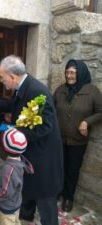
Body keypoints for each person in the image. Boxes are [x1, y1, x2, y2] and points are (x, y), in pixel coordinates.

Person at [0, 55, 63, 225]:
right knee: (28, 185)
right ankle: (26, 215)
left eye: (1, 77)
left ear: (12, 76)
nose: (0, 80)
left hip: (43, 155)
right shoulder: (22, 87)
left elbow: (45, 127)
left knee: (44, 195)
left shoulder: (38, 91)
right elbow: (13, 105)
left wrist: (16, 134)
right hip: (31, 151)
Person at [54, 59, 102, 212]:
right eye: (67, 72)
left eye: (73, 72)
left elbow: (100, 112)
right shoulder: (60, 90)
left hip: (78, 140)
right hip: (59, 138)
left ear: (80, 73)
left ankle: (68, 197)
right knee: (58, 166)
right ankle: (58, 191)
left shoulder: (92, 91)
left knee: (72, 169)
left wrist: (87, 122)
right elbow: (52, 110)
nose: (69, 76)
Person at [0, 128, 34, 225]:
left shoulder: (9, 168)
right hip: (16, 201)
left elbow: (5, 191)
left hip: (8, 206)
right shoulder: (20, 160)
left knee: (8, 221)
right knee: (15, 220)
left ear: (5, 148)